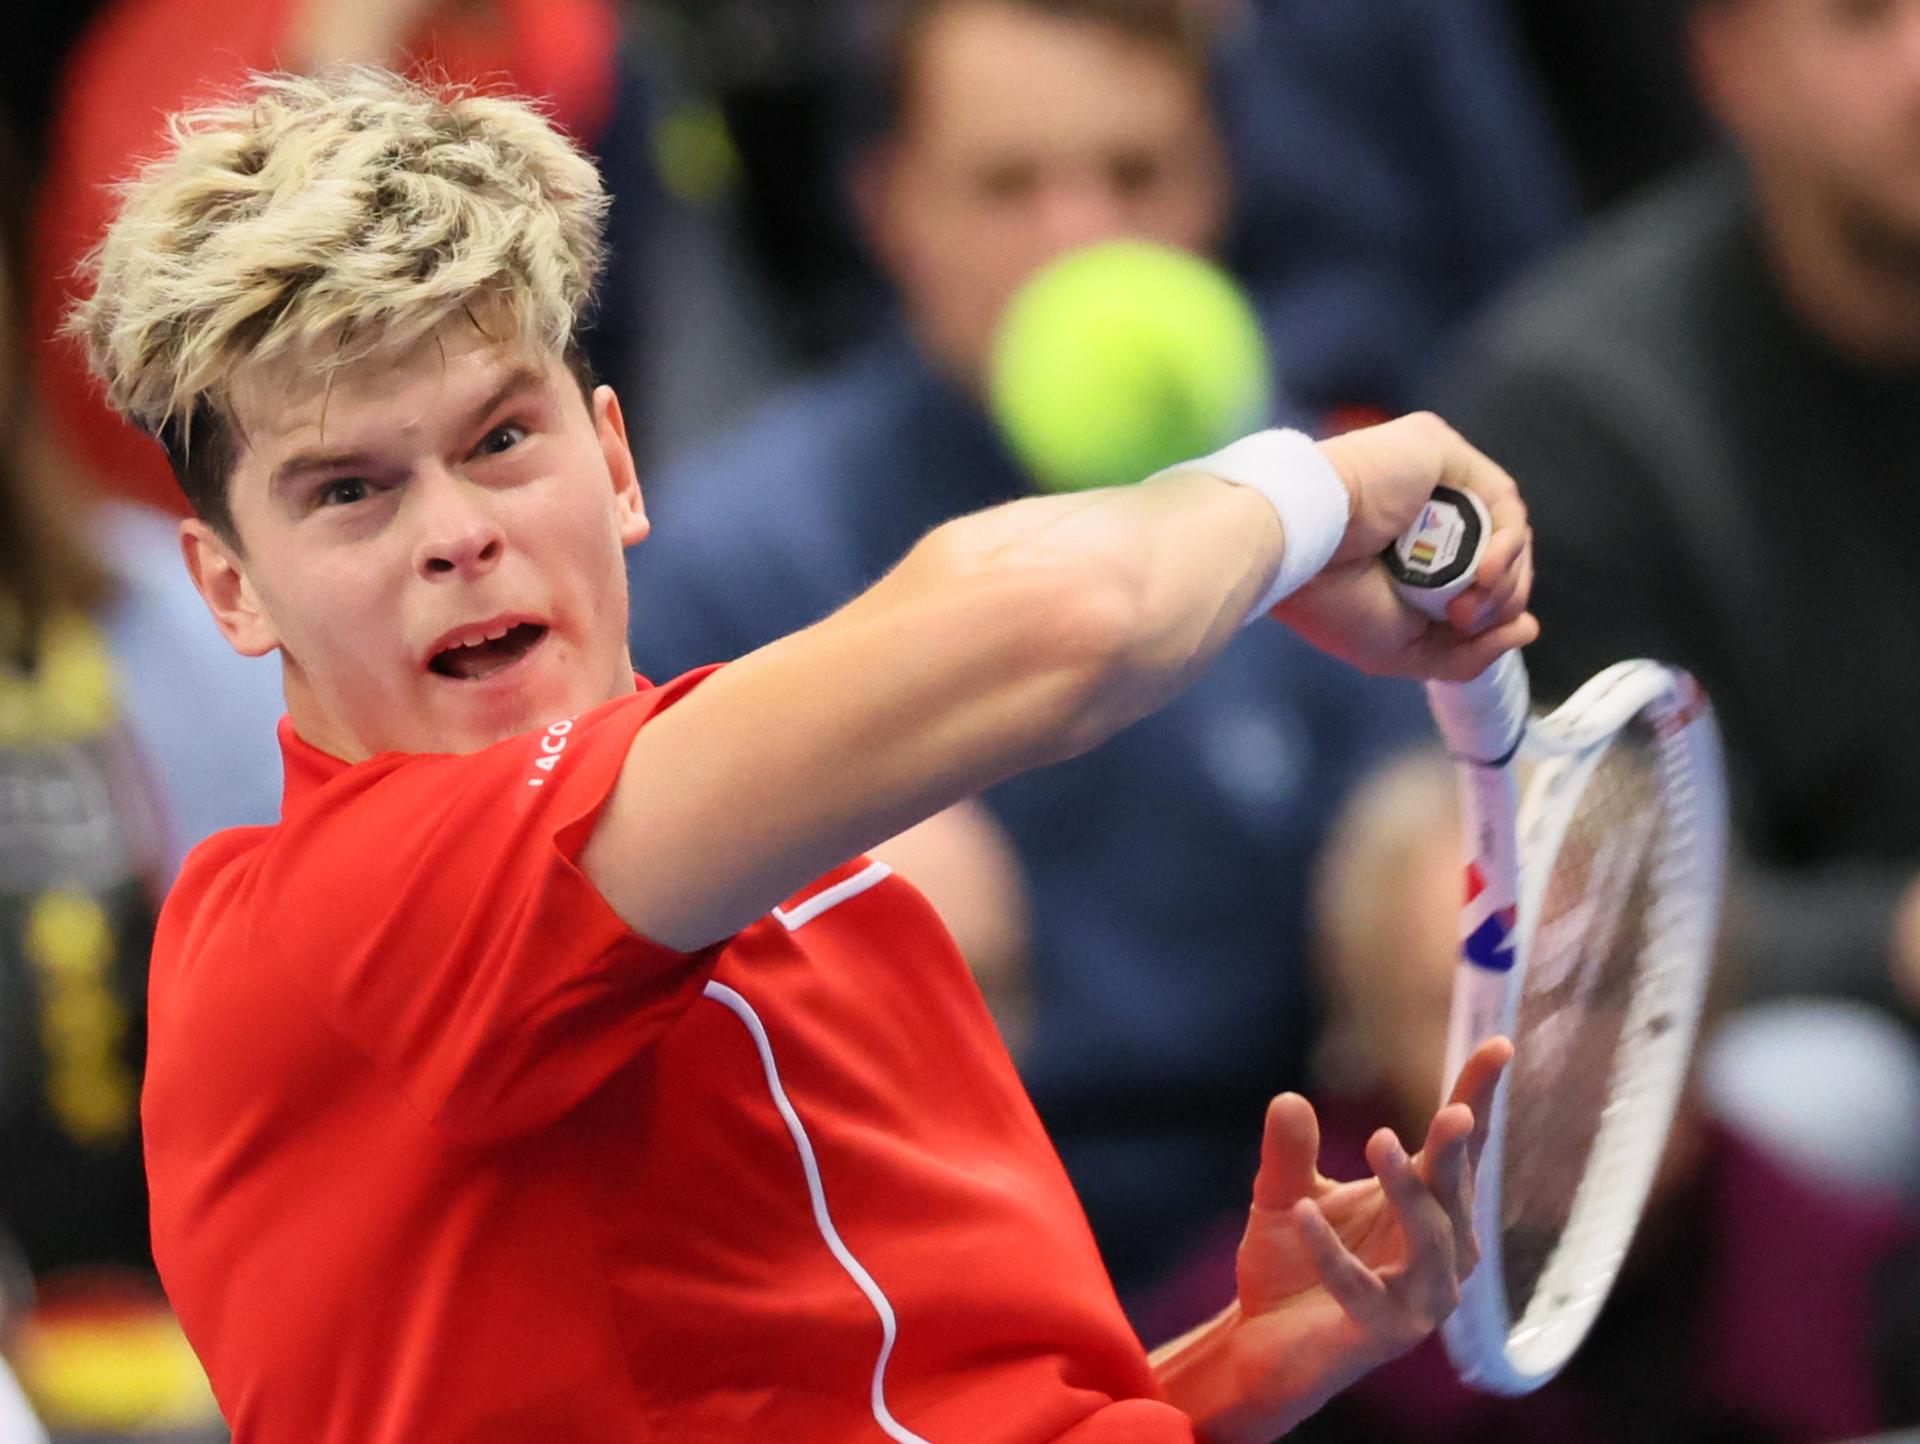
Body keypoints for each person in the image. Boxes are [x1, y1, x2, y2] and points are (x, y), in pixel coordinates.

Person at [67, 67, 1535, 1442]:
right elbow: (1071, 619)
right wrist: (1323, 490)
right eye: (350, 492)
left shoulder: (802, 870)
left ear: (617, 462)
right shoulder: (337, 919)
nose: (456, 533)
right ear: (229, 590)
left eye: (502, 441)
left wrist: (1217, 1376)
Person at [626, 0, 1435, 1297]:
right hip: (880, 1262)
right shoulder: (732, 560)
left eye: (1135, 174)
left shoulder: (1337, 514)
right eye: (1009, 186)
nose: (1082, 240)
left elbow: (1427, 884)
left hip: (1299, 1236)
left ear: (1218, 181)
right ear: (888, 207)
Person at [1429, 0, 1920, 1192]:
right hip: (1836, 1033)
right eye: (1862, 18)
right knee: (1805, 1095)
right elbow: (1616, 912)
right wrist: (1897, 941)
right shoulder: (1584, 414)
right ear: (1728, 64)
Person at [1139, 749, 1920, 1443]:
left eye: (1600, 987)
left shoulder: (1868, 1293)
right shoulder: (1243, 1362)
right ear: (1370, 1044)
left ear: (1698, 1001)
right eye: (1473, 1013)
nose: (1544, 1063)